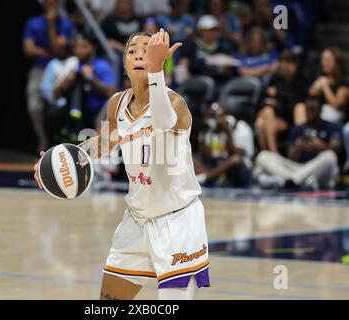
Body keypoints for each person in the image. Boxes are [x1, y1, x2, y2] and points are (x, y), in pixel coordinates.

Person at [34, 30, 210, 299]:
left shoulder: (174, 102)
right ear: (125, 64)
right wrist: (60, 160)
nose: (139, 54)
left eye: (147, 49)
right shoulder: (117, 103)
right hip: (137, 219)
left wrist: (156, 72)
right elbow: (105, 141)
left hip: (179, 222)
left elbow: (162, 121)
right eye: (132, 50)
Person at [40, 33, 117, 138]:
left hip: (97, 112)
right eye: (76, 47)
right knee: (52, 113)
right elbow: (56, 96)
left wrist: (91, 78)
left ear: (92, 47)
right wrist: (64, 82)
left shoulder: (102, 65)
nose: (79, 50)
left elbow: (111, 93)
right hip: (74, 113)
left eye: (84, 46)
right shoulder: (72, 65)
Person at [255, 97, 341, 190]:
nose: (310, 113)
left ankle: (289, 180)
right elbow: (291, 156)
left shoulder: (331, 127)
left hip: (318, 169)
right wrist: (299, 147)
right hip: (298, 167)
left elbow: (337, 148)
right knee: (263, 156)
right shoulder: (297, 129)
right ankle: (294, 180)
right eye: (308, 110)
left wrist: (322, 146)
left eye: (313, 109)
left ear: (320, 110)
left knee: (330, 156)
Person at [23, 0, 75, 152]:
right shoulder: (33, 23)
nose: (52, 2)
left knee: (59, 104)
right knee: (33, 102)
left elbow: (58, 50)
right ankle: (43, 138)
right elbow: (28, 49)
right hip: (40, 68)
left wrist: (51, 25)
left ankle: (60, 140)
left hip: (60, 67)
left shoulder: (65, 24)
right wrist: (47, 52)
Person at [255, 50, 307, 153]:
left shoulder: (301, 81)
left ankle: (267, 155)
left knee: (261, 123)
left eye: (289, 63)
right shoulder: (275, 79)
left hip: (289, 118)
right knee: (265, 114)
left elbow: (298, 101)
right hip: (272, 116)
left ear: (296, 65)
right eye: (283, 62)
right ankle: (272, 153)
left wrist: (278, 94)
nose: (285, 66)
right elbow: (260, 101)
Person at [194, 103, 254, 188]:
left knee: (235, 160)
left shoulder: (240, 127)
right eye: (212, 116)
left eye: (218, 116)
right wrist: (204, 134)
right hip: (217, 165)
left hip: (239, 169)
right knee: (190, 158)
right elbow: (208, 157)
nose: (216, 120)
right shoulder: (208, 128)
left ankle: (207, 177)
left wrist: (228, 133)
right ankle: (209, 176)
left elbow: (237, 154)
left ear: (227, 116)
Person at [294, 47, 349, 125]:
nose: (324, 63)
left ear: (337, 62)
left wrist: (325, 86)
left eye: (328, 60)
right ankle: (302, 133)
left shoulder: (343, 81)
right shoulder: (318, 76)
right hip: (318, 110)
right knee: (299, 107)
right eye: (323, 60)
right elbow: (309, 96)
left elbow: (336, 105)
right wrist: (315, 87)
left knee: (324, 113)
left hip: (334, 114)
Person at [178, 15, 234, 86]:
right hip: (195, 82)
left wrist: (224, 68)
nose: (214, 32)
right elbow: (183, 64)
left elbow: (228, 70)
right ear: (201, 30)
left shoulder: (222, 47)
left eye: (216, 29)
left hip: (218, 83)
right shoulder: (191, 45)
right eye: (211, 29)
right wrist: (189, 81)